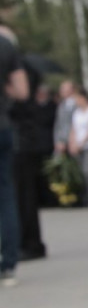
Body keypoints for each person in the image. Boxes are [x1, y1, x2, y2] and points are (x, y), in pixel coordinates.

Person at [12, 82, 56, 261]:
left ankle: (30, 243)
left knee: (24, 196)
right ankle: (27, 242)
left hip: (21, 144)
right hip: (23, 143)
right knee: (23, 196)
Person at [0, 25, 29, 286]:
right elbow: (22, 91)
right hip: (2, 127)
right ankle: (7, 264)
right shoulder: (5, 44)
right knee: (5, 194)